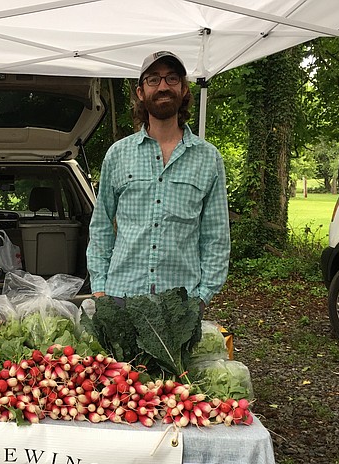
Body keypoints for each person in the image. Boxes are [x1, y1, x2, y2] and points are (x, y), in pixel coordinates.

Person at [86, 50, 231, 316]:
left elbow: (216, 236)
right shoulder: (118, 154)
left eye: (171, 78)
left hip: (180, 304)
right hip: (121, 298)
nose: (163, 86)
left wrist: (202, 296)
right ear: (141, 92)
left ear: (184, 89)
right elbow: (101, 225)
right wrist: (100, 289)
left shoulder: (208, 158)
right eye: (154, 79)